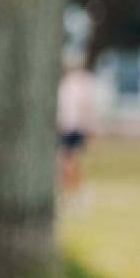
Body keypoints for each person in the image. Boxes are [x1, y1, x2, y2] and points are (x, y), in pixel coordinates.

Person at [57, 52, 96, 207]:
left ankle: (69, 193)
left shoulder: (67, 83)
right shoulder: (79, 83)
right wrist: (88, 125)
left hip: (68, 127)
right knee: (70, 161)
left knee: (68, 161)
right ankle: (70, 193)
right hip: (72, 127)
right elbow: (84, 106)